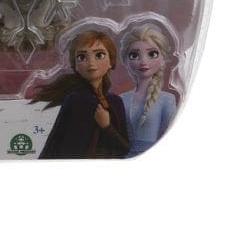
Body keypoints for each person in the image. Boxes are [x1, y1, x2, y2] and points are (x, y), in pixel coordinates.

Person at [32, 30, 129, 158]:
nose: (91, 63)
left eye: (99, 55)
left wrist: (106, 126)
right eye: (82, 57)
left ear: (111, 61)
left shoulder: (115, 102)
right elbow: (57, 142)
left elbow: (124, 148)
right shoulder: (77, 100)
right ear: (76, 66)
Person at [120, 24, 177, 156]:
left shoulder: (167, 100)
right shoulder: (121, 98)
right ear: (126, 61)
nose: (143, 61)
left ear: (163, 60)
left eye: (152, 54)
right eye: (134, 55)